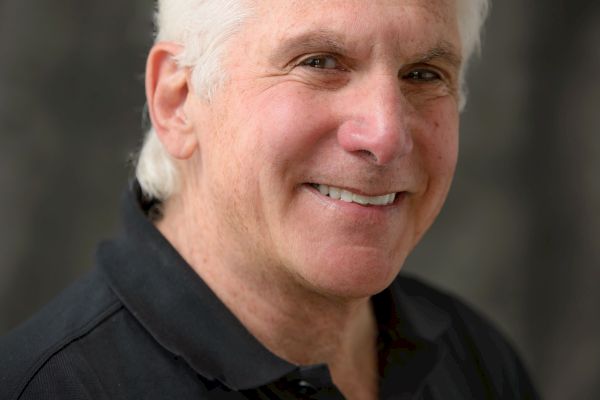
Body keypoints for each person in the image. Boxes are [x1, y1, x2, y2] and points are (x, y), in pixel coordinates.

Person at [0, 0, 540, 399]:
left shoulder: (480, 365)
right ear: (178, 101)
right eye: (320, 62)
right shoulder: (46, 387)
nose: (386, 134)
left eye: (424, 75)